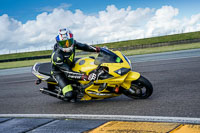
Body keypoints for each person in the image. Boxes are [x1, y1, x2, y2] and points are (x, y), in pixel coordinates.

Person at [51, 28, 100, 101]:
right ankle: (68, 94)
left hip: (71, 63)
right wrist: (84, 76)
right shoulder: (57, 56)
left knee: (91, 59)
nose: (67, 45)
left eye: (69, 42)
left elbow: (83, 46)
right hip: (60, 72)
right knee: (70, 95)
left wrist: (96, 49)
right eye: (63, 43)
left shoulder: (73, 43)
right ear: (58, 43)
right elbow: (68, 73)